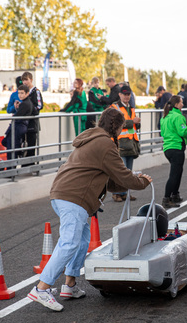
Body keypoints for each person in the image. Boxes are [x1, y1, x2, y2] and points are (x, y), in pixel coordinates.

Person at [27, 108, 152, 311]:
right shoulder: (106, 144)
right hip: (73, 198)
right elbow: (123, 176)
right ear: (118, 127)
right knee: (69, 243)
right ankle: (42, 288)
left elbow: (109, 181)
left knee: (83, 239)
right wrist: (141, 182)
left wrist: (131, 182)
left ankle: (69, 285)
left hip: (63, 194)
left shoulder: (92, 138)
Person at [160, 95, 187, 208]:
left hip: (167, 148)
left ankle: (175, 195)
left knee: (177, 173)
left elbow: (163, 133)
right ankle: (166, 198)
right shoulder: (178, 116)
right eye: (181, 102)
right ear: (176, 105)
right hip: (177, 148)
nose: (183, 104)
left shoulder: (165, 116)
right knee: (175, 175)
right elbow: (182, 132)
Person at [110, 84, 141, 202]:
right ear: (120, 95)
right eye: (124, 94)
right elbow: (114, 123)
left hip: (131, 143)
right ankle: (117, 193)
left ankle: (125, 193)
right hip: (120, 143)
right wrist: (132, 121)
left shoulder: (131, 108)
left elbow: (133, 126)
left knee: (128, 171)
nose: (127, 96)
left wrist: (137, 123)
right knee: (120, 170)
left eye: (128, 94)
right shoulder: (115, 107)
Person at [2, 85, 33, 157]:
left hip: (18, 128)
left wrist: (17, 109)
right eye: (19, 93)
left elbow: (17, 116)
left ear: (27, 93)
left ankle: (12, 167)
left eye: (22, 93)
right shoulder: (28, 102)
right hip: (21, 128)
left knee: (12, 150)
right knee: (14, 149)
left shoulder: (25, 103)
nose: (20, 95)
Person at [21, 72, 44, 163]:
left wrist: (29, 110)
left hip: (32, 122)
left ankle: (30, 164)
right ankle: (25, 164)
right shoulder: (24, 92)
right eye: (23, 80)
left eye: (26, 80)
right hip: (24, 122)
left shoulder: (36, 91)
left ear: (31, 80)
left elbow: (39, 106)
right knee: (23, 145)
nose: (25, 82)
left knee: (31, 145)